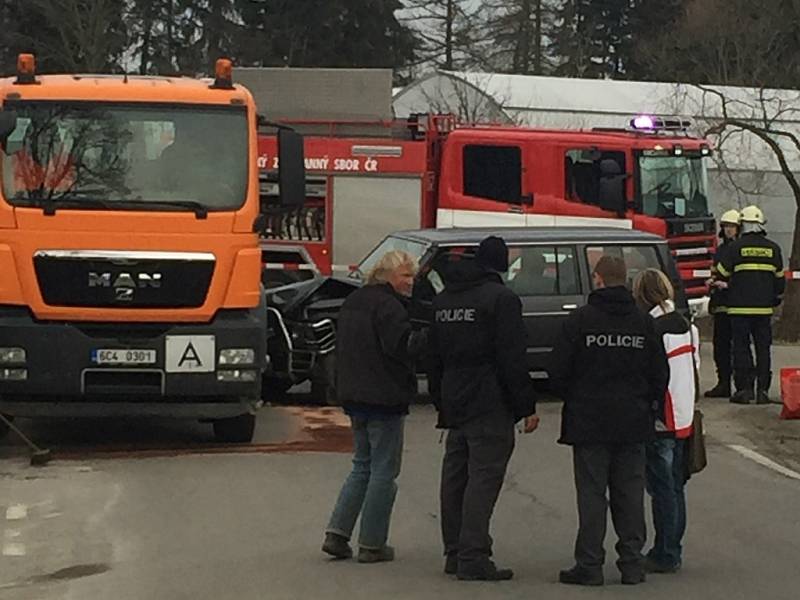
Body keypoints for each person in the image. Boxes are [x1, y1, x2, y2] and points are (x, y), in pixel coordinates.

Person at [550, 255, 669, 587]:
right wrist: (648, 404)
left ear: (597, 278)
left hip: (588, 421)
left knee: (591, 494)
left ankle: (589, 564)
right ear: (626, 280)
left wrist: (573, 398)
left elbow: (558, 370)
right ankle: (632, 564)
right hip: (632, 421)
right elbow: (660, 372)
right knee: (630, 494)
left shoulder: (580, 320)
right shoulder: (643, 322)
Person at [428, 235, 539, 582]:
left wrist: (440, 400)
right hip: (490, 401)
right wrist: (525, 406)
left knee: (455, 476)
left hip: (455, 397)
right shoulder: (501, 299)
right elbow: (512, 357)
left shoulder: (444, 299)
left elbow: (432, 357)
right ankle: (473, 555)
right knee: (483, 477)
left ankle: (454, 551)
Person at [322, 250, 419, 563]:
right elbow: (401, 348)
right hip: (384, 397)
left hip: (354, 395)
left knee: (361, 464)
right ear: (389, 275)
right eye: (406, 275)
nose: (410, 282)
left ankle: (337, 533)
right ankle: (372, 543)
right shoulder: (390, 307)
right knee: (383, 471)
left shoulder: (354, 301)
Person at [633, 268, 699, 574]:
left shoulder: (653, 328)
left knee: (662, 488)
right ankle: (674, 548)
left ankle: (665, 552)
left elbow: (651, 375)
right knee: (675, 486)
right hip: (684, 413)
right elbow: (695, 366)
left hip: (663, 416)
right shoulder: (687, 325)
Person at [717, 205, 785, 405]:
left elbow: (722, 272)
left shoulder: (735, 248)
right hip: (764, 310)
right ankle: (762, 390)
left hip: (739, 309)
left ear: (742, 224)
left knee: (741, 348)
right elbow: (780, 281)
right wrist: (772, 296)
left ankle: (745, 390)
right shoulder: (773, 248)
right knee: (763, 348)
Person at [705, 209, 741, 398]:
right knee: (720, 346)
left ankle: (741, 385)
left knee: (737, 348)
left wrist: (727, 284)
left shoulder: (739, 249)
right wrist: (712, 282)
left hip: (735, 304)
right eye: (726, 226)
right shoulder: (721, 250)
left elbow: (742, 277)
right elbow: (716, 271)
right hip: (720, 304)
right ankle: (723, 383)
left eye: (732, 227)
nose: (728, 230)